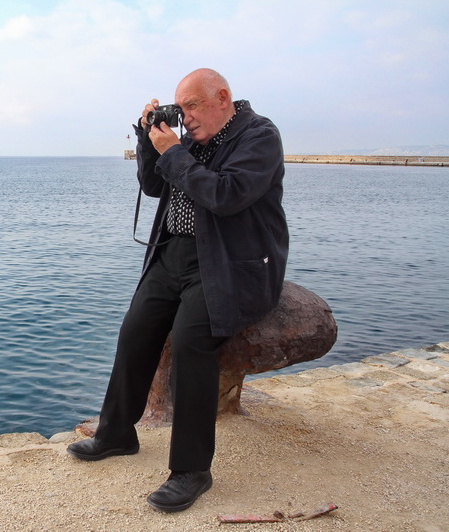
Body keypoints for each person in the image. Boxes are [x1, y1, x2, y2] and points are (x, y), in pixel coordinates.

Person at [67, 68, 289, 513]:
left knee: (191, 343)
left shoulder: (258, 136)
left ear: (221, 97)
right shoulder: (187, 140)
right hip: (172, 254)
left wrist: (173, 152)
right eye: (180, 109)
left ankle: (191, 470)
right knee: (134, 332)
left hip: (227, 263)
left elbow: (226, 195)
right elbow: (154, 186)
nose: (185, 118)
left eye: (191, 107)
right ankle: (116, 434)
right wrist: (152, 142)